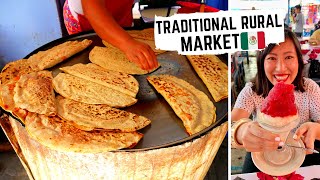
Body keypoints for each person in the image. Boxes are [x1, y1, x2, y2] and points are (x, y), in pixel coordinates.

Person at [231, 29, 320, 173]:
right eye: (272, 58)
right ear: (261, 63)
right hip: (261, 153)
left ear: (299, 60)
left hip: (302, 152)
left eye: (289, 57)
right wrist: (240, 132)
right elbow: (230, 126)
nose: (280, 68)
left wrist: (316, 130)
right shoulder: (252, 92)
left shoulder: (310, 88)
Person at [63, 0, 158, 71]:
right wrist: (127, 43)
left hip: (121, 13)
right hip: (88, 21)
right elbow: (94, 13)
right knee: (93, 61)